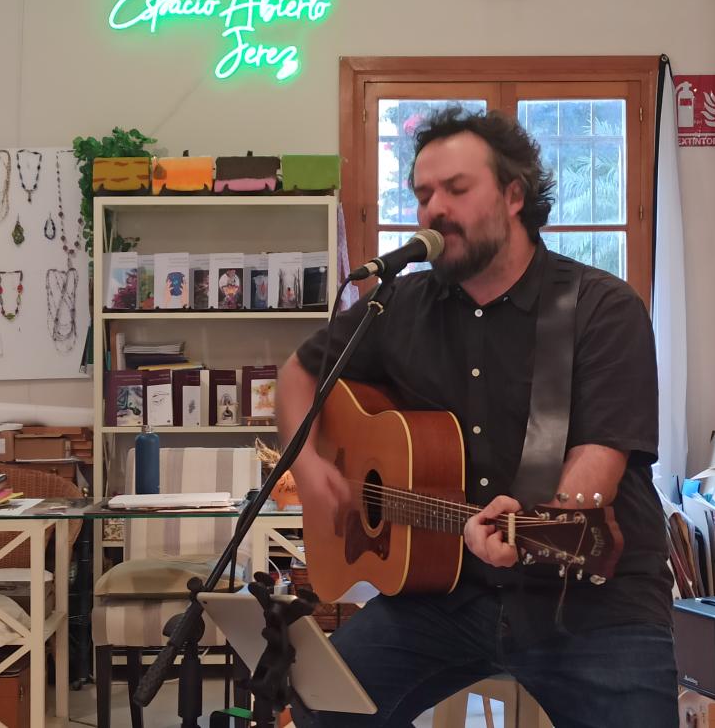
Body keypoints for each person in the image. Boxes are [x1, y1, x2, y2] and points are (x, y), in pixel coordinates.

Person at [276, 107, 677, 727]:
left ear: (515, 196)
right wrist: (307, 468)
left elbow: (598, 460)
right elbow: (298, 376)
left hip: (591, 600)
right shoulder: (397, 306)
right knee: (321, 706)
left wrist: (537, 528)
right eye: (423, 195)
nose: (434, 210)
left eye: (456, 190)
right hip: (446, 592)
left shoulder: (602, 307)